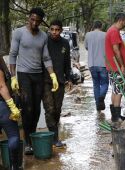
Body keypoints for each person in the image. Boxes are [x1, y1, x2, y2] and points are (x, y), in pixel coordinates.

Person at [9, 7, 59, 155]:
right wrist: (13, 77)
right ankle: (27, 143)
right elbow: (12, 55)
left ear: (40, 21)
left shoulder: (43, 36)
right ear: (29, 18)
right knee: (28, 108)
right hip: (24, 74)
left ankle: (32, 136)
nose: (34, 23)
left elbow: (46, 58)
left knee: (37, 109)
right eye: (32, 19)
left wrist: (53, 75)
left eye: (37, 21)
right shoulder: (19, 33)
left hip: (38, 75)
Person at [43, 19, 72, 148]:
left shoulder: (65, 43)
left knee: (57, 109)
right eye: (52, 29)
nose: (54, 32)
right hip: (46, 81)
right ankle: (54, 138)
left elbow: (67, 63)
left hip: (60, 81)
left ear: (60, 30)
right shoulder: (44, 42)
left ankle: (54, 135)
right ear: (49, 30)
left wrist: (69, 78)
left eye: (57, 30)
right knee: (49, 109)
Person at [105, 13, 125, 122]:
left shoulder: (112, 30)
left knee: (115, 90)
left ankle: (115, 116)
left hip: (112, 66)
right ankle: (116, 116)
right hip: (116, 67)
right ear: (121, 20)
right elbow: (116, 50)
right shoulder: (114, 31)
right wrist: (122, 66)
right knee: (119, 91)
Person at [0, 57, 21, 170]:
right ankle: (14, 167)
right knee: (13, 136)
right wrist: (12, 106)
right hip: (2, 107)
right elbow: (1, 86)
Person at [84, 21, 109, 117]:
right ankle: (101, 97)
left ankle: (98, 106)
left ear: (93, 26)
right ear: (101, 26)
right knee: (105, 83)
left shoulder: (88, 35)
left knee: (96, 84)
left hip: (92, 64)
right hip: (103, 63)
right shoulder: (105, 35)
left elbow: (86, 47)